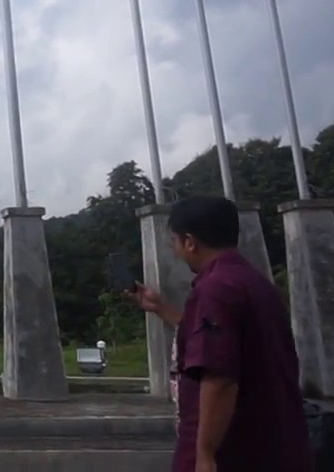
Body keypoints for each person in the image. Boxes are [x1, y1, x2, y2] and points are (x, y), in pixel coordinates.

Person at [130, 196, 312, 472]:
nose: (174, 248)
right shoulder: (252, 281)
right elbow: (213, 340)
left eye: (175, 240)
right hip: (274, 443)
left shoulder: (215, 290)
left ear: (190, 242)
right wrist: (159, 308)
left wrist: (204, 454)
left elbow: (220, 376)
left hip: (235, 450)